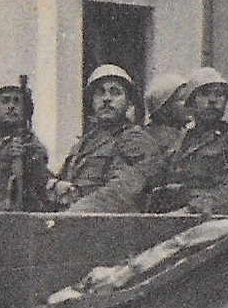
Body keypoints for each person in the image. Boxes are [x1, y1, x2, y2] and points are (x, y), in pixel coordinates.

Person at [51, 65, 161, 214]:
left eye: (115, 93)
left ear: (129, 101)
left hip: (109, 224)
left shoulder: (135, 140)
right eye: (100, 93)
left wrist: (73, 213)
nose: (107, 99)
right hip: (76, 220)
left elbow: (124, 190)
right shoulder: (84, 143)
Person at [148, 67, 228, 216]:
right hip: (176, 217)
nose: (212, 100)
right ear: (191, 103)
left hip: (215, 221)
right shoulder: (182, 140)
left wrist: (191, 209)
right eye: (204, 94)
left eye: (219, 94)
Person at [0, 83, 51, 212]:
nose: (11, 106)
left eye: (17, 102)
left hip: (16, 215)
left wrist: (26, 159)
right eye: (5, 101)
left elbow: (40, 181)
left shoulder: (30, 145)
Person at [143, 73, 189, 157]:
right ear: (164, 108)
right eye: (182, 99)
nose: (189, 104)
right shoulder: (156, 139)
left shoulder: (186, 133)